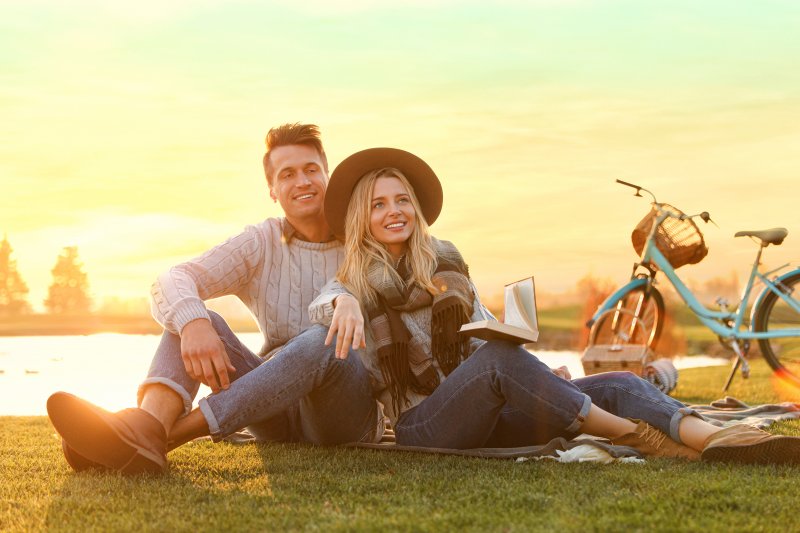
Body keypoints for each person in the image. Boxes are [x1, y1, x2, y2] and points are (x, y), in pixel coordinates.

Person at [309, 147, 800, 463]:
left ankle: (711, 438)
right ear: (362, 217)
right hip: (423, 425)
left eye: (401, 200)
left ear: (414, 206)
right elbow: (322, 308)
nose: (394, 211)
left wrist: (539, 371)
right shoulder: (351, 280)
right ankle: (634, 436)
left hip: (484, 407)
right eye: (379, 204)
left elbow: (483, 334)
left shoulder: (446, 263)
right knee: (497, 361)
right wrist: (347, 301)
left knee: (621, 380)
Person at [47, 123, 381, 475]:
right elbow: (172, 279)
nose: (302, 181)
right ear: (272, 190)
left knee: (323, 339)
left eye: (311, 170)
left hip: (342, 413)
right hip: (271, 408)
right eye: (287, 174)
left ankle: (161, 437)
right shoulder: (261, 242)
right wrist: (193, 323)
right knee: (190, 314)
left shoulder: (364, 240)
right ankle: (145, 429)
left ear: (327, 174)